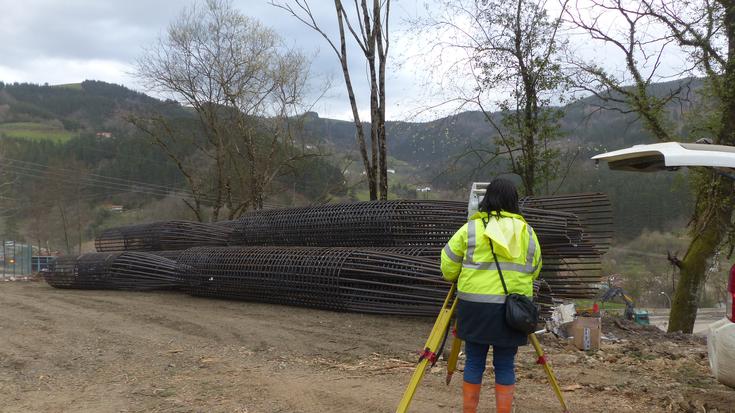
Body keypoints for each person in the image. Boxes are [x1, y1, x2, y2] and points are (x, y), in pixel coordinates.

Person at [440, 178, 542, 413]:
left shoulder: (471, 229)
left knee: (474, 361)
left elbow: (447, 267)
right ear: (514, 202)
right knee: (505, 364)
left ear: (487, 200)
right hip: (512, 312)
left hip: (475, 309)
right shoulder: (528, 232)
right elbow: (535, 268)